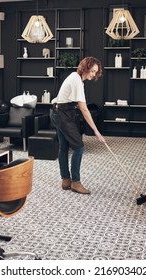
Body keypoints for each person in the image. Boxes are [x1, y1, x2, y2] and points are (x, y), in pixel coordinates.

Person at [51, 56, 105, 195]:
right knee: (79, 148)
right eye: (92, 71)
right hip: (62, 115)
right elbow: (84, 109)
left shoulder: (76, 78)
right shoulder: (76, 81)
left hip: (59, 113)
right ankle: (75, 182)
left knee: (63, 147)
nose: (94, 75)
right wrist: (96, 131)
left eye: (95, 72)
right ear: (85, 68)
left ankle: (66, 180)